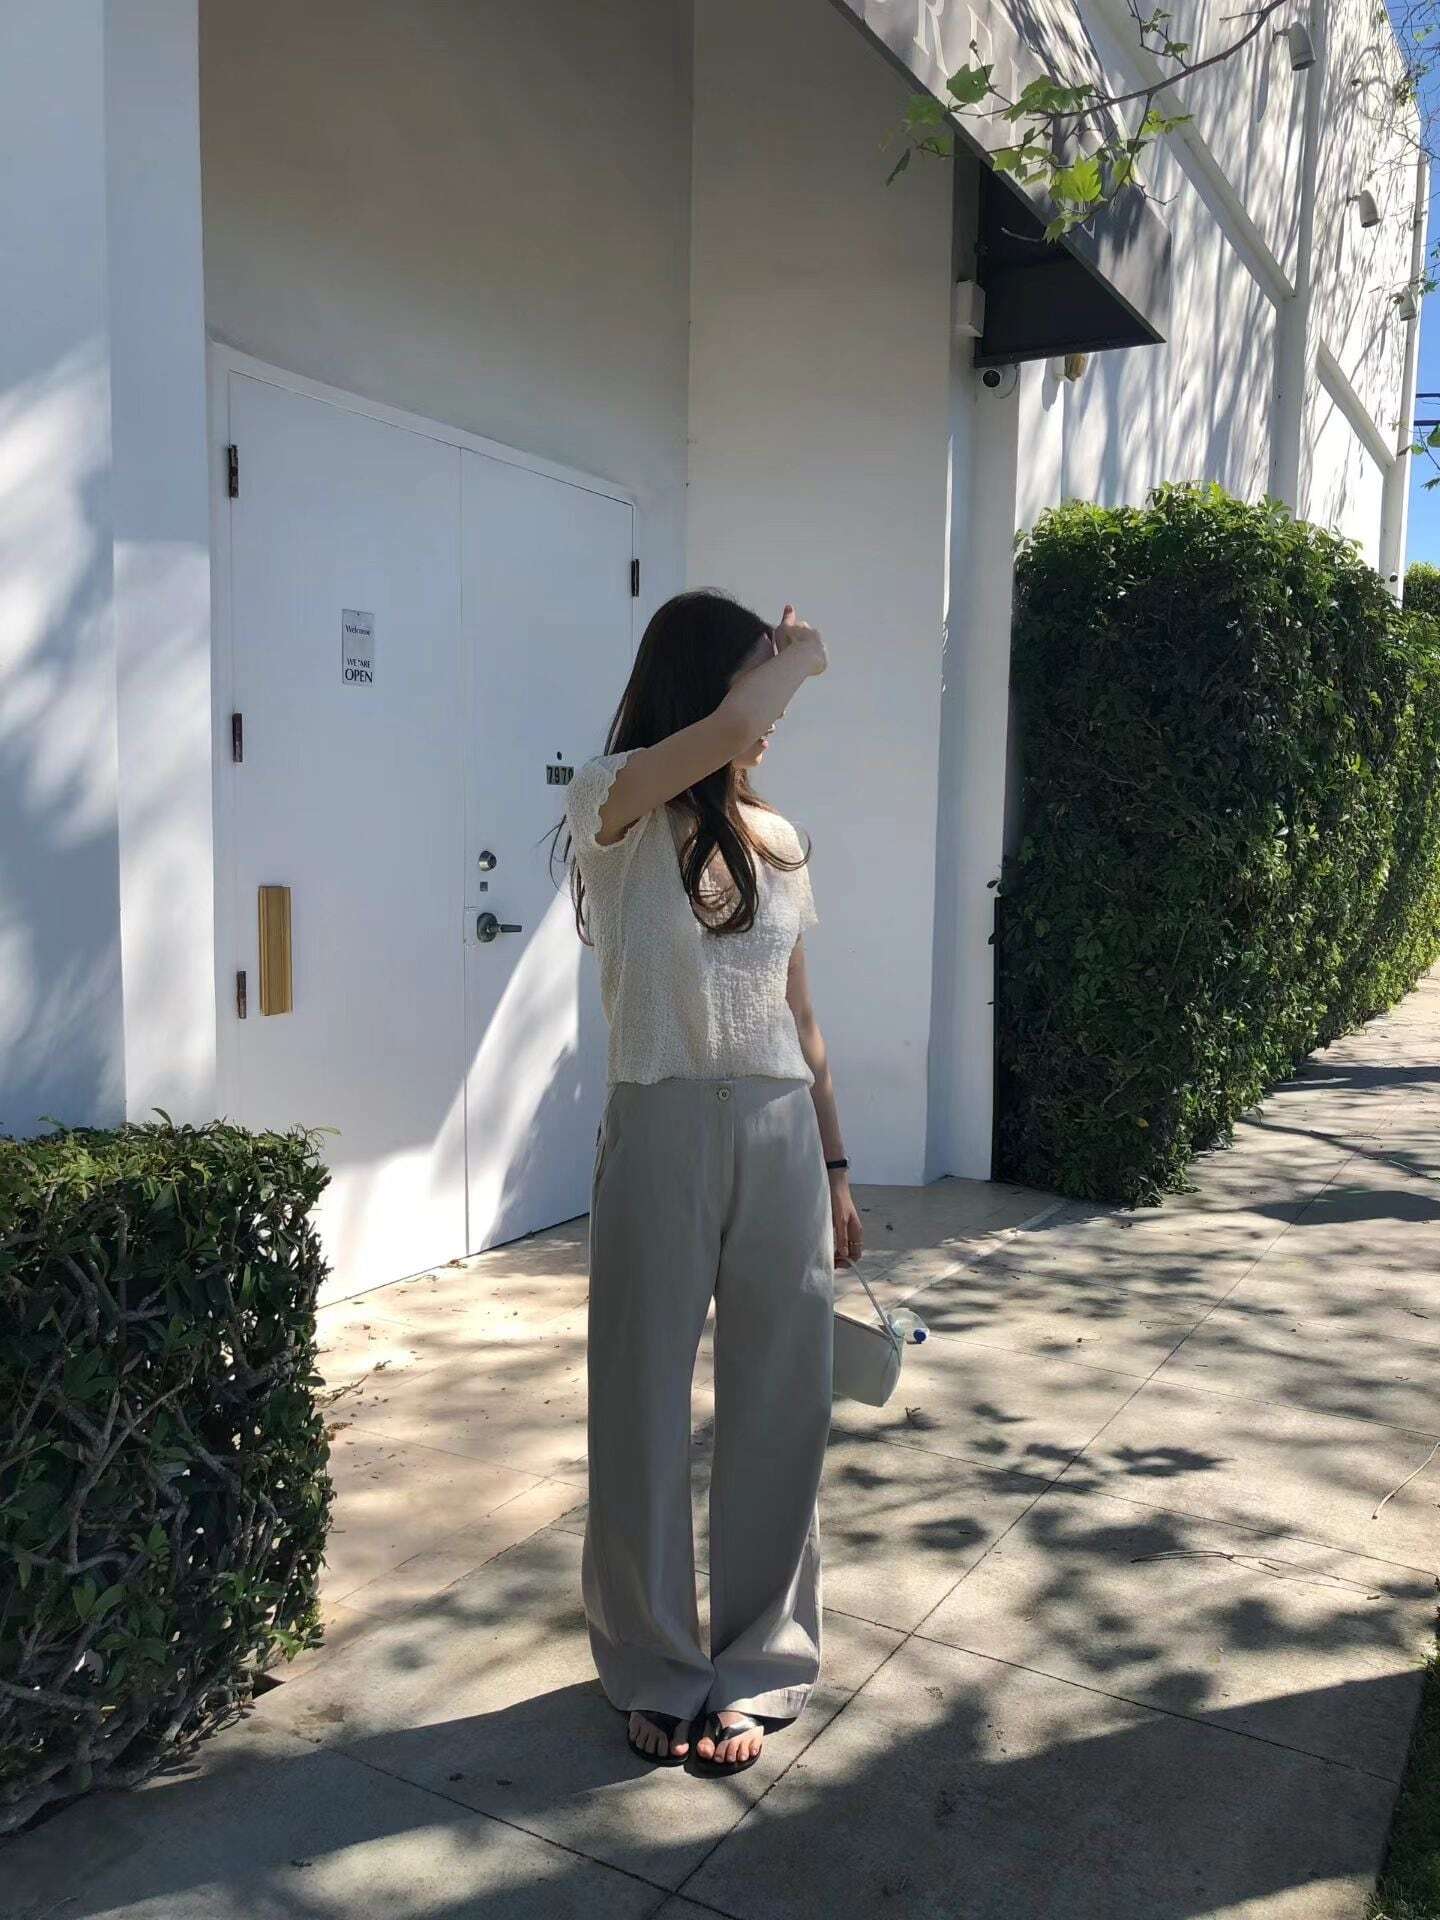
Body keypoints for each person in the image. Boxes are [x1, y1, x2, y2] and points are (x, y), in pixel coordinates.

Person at [560, 590, 862, 1777]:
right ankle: (654, 1662)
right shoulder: (615, 802)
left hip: (781, 1133)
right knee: (638, 1403)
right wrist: (803, 655)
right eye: (752, 687)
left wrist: (835, 1168)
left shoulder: (779, 840)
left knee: (783, 1404)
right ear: (704, 688)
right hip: (661, 1123)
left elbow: (801, 1018)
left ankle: (760, 1660)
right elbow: (733, 728)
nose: (770, 717)